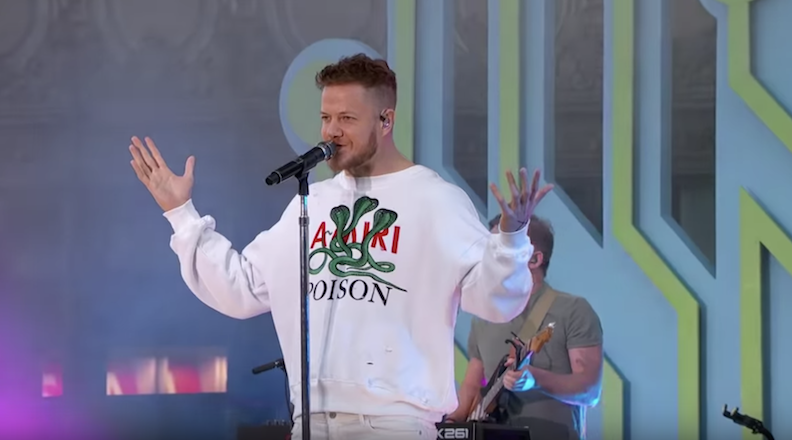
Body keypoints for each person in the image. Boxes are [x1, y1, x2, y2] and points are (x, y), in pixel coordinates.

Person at [127, 53, 553, 440]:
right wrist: (181, 213)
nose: (331, 131)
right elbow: (241, 287)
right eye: (326, 117)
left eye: (346, 118)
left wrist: (511, 236)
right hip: (311, 424)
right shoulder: (313, 202)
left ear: (385, 121)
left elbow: (495, 300)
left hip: (395, 425)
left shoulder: (435, 200)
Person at [445, 214, 603, 440]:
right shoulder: (484, 316)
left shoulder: (573, 310)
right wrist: (451, 423)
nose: (488, 258)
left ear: (534, 259)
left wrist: (535, 379)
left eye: (502, 248)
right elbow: (472, 387)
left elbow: (590, 391)